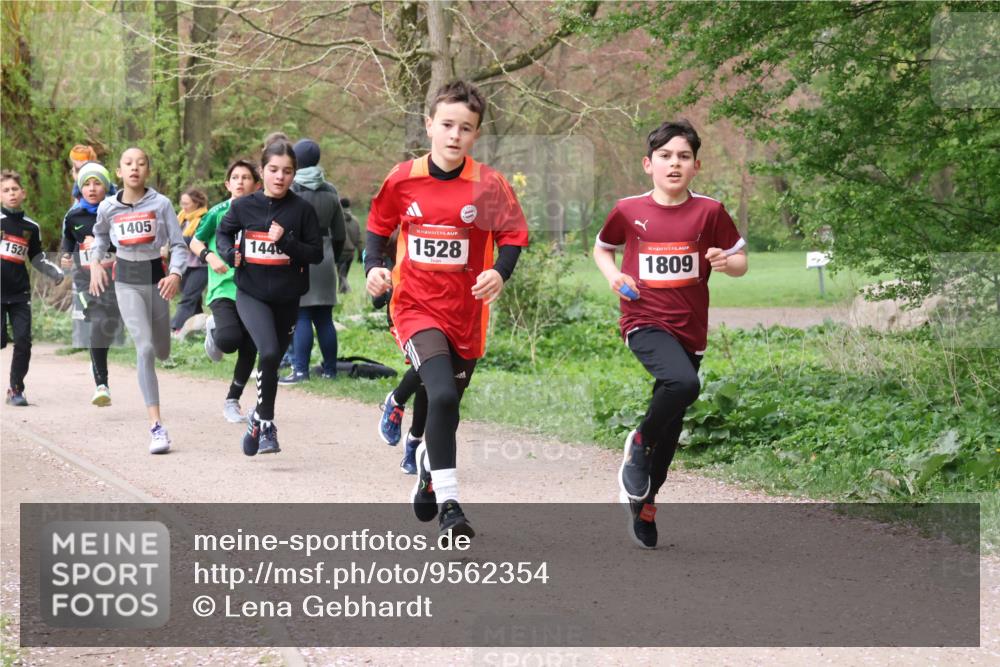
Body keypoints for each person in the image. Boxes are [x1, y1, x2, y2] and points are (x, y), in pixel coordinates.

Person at [366, 80, 529, 540]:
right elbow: (377, 229)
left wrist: (499, 272)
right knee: (438, 395)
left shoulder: (489, 184)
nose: (455, 135)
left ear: (476, 134)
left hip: (467, 314)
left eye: (467, 128)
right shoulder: (402, 178)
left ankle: (427, 471)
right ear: (429, 125)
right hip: (415, 307)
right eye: (447, 125)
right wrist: (374, 269)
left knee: (449, 405)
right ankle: (451, 506)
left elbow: (514, 235)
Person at [593, 120, 748, 549]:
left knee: (674, 419)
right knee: (683, 383)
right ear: (649, 164)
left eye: (683, 157)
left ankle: (647, 500)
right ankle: (639, 442)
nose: (674, 164)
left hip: (690, 330)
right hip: (643, 320)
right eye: (665, 156)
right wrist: (612, 277)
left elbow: (740, 262)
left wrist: (723, 261)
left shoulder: (710, 212)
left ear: (696, 165)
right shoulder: (628, 210)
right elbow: (602, 247)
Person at [217, 139, 323, 456]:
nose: (280, 177)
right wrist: (228, 251)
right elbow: (223, 233)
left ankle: (257, 419)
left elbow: (316, 254)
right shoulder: (242, 206)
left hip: (288, 297)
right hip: (251, 293)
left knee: (272, 360)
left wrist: (287, 241)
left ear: (294, 174)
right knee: (269, 349)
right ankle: (267, 425)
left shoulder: (303, 210)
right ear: (262, 171)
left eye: (287, 171)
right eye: (274, 170)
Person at [88, 147, 189, 454]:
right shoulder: (107, 207)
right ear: (119, 172)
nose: (135, 168)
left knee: (161, 350)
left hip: (157, 282)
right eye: (128, 163)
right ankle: (157, 427)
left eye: (141, 163)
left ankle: (195, 334)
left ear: (147, 171)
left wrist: (175, 274)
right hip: (126, 282)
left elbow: (179, 244)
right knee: (143, 348)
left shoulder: (161, 204)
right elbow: (101, 238)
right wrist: (95, 263)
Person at [190, 159, 260, 423]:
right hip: (223, 287)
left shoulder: (263, 212)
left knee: (251, 344)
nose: (240, 182)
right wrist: (210, 256)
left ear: (256, 184)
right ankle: (213, 328)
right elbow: (195, 242)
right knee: (230, 341)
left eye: (246, 178)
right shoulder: (217, 212)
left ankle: (233, 400)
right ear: (227, 184)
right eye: (235, 178)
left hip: (254, 289)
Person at [278, 139, 345, 384]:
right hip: (325, 257)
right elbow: (340, 233)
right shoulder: (331, 190)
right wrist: (333, 259)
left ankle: (300, 371)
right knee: (324, 318)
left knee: (301, 316)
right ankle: (330, 371)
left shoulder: (292, 188)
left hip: (299, 255)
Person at [59, 162, 123, 406]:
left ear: (106, 186)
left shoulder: (116, 210)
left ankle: (96, 361)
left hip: (115, 280)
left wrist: (101, 243)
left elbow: (126, 243)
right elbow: (68, 241)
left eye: (97, 183)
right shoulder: (73, 215)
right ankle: (101, 384)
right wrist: (66, 255)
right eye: (87, 184)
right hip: (86, 281)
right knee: (98, 322)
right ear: (80, 188)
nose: (92, 188)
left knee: (109, 327)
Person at [1, 170, 65, 406]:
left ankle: (16, 389)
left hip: (19, 294)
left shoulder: (31, 227)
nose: (11, 194)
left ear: (23, 193)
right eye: (6, 190)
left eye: (14, 189)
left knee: (23, 341)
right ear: (0, 195)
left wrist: (55, 272)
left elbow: (37, 257)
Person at [171, 188, 209, 333]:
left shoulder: (205, 218)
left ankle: (174, 329)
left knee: (187, 298)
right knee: (194, 300)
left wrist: (178, 239)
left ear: (196, 203)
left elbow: (199, 240)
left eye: (186, 203)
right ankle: (199, 330)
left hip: (201, 266)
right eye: (182, 203)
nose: (183, 206)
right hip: (184, 264)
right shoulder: (181, 218)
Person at [337, 197, 361, 293]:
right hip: (351, 253)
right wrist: (360, 253)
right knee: (344, 273)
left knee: (341, 274)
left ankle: (347, 289)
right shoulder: (355, 220)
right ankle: (341, 290)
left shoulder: (337, 219)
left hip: (340, 251)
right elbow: (359, 238)